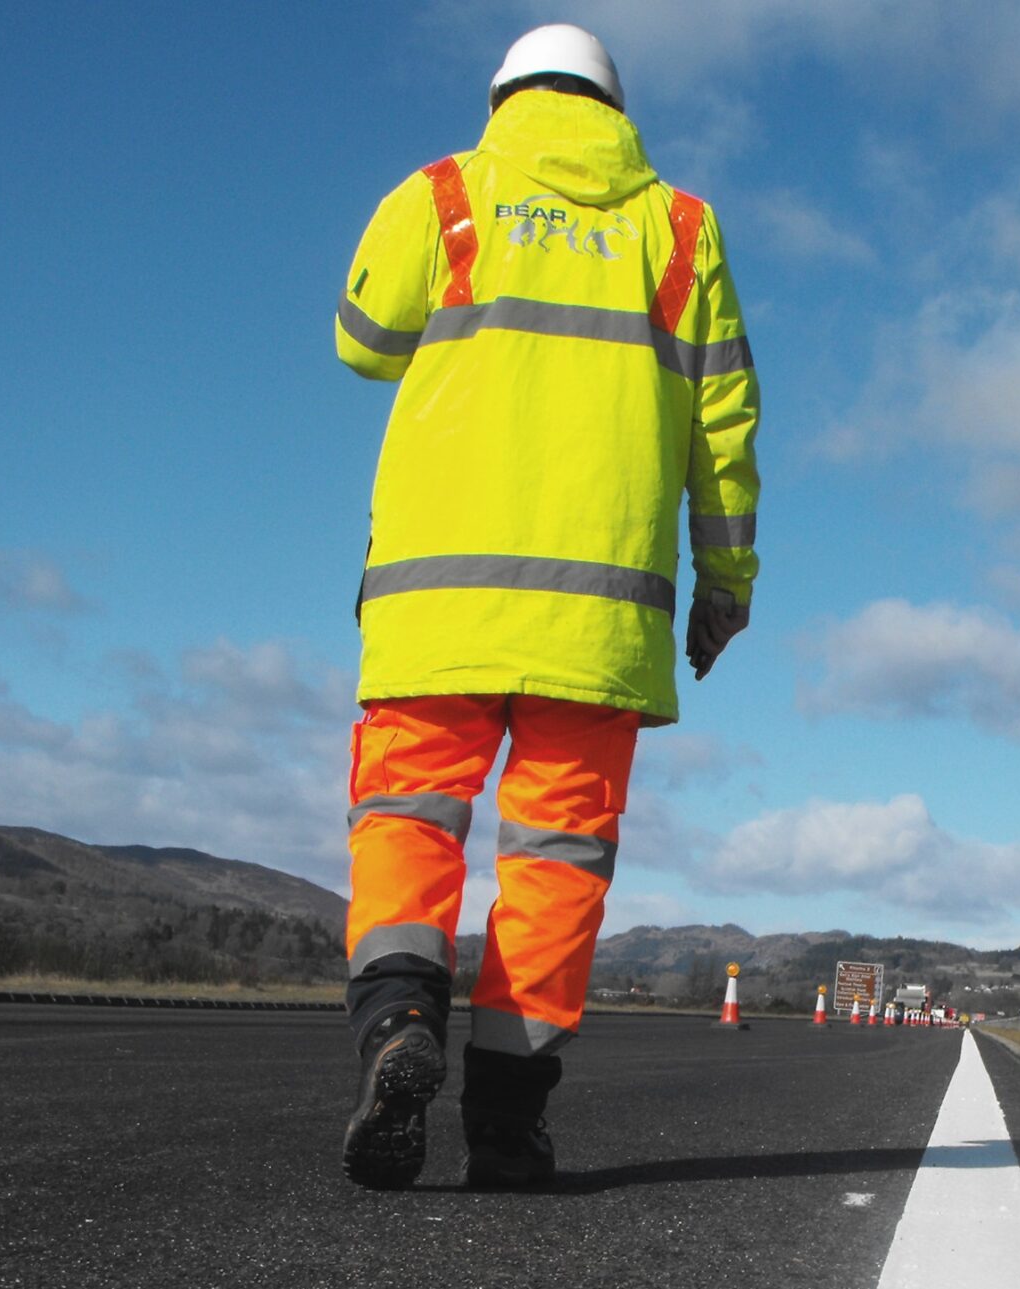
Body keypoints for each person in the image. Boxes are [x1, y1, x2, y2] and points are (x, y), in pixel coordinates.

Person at [332, 23, 759, 1190]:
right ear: (616, 109)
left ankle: (396, 1025)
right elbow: (725, 431)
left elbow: (360, 339)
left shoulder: (443, 192)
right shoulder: (682, 228)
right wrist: (724, 587)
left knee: (409, 822)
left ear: (501, 98)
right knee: (557, 866)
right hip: (602, 619)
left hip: (437, 604)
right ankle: (508, 1127)